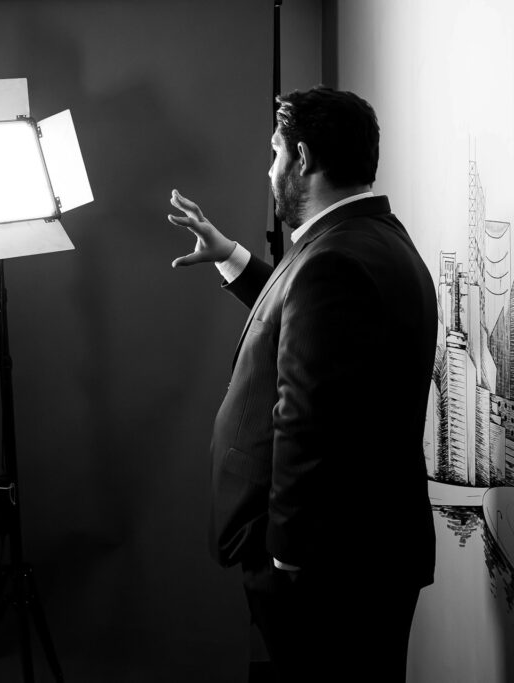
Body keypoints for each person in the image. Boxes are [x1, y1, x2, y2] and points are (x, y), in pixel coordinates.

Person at [168, 86, 437, 682]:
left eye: (274, 153)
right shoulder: (374, 239)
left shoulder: (333, 262)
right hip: (370, 554)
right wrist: (230, 256)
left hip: (324, 573)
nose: (270, 169)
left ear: (304, 159)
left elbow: (305, 421)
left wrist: (287, 557)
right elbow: (312, 328)